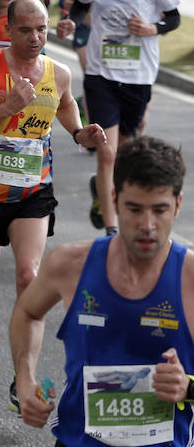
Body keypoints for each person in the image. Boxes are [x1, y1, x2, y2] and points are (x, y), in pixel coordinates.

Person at [0, 0, 106, 410]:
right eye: (25, 30)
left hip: (32, 192)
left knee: (28, 275)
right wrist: (7, 107)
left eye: (42, 29)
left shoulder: (58, 72)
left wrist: (77, 132)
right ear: (8, 30)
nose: (35, 38)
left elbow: (66, 105)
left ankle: (25, 376)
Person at [10, 136, 193, 445]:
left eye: (159, 210)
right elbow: (27, 312)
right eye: (134, 209)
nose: (147, 225)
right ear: (114, 200)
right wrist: (25, 380)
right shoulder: (70, 265)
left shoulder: (191, 278)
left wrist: (188, 389)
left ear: (177, 204)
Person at [56, 0, 181, 235]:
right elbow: (81, 5)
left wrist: (152, 27)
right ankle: (113, 229)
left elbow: (174, 18)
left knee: (126, 154)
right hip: (102, 75)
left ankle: (105, 191)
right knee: (107, 151)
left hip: (138, 76)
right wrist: (71, 20)